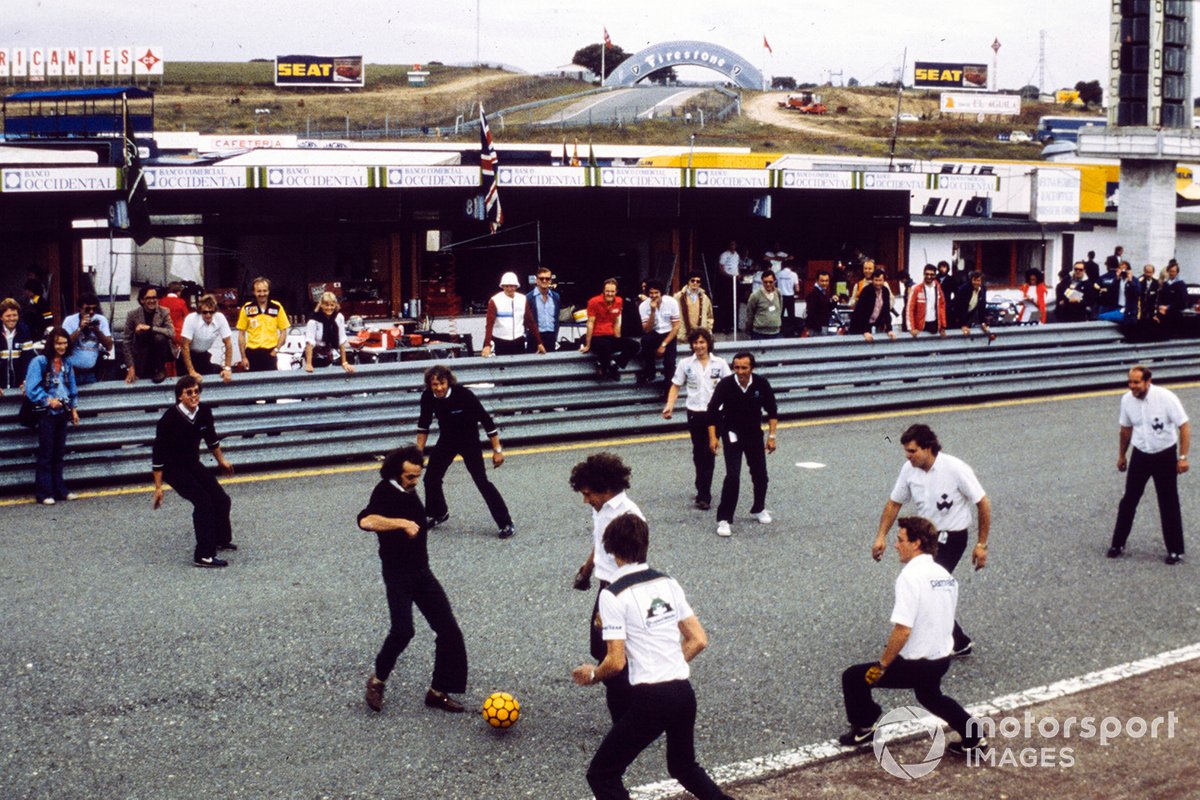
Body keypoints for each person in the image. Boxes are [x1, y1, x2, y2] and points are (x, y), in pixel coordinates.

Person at [571, 513, 735, 800]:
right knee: (684, 767)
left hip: (651, 699)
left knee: (602, 775)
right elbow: (698, 639)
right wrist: (668, 664)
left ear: (609, 549)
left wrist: (592, 675)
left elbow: (616, 661)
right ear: (644, 544)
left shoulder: (613, 595)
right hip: (683, 693)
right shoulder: (666, 582)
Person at [838, 516, 989, 759]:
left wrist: (883, 664)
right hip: (941, 658)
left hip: (916, 663)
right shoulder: (945, 576)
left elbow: (903, 629)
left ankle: (864, 727)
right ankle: (974, 737)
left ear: (916, 543)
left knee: (854, 678)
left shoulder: (909, 577)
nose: (896, 545)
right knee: (930, 696)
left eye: (900, 540)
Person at [358, 446, 469, 714]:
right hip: (398, 574)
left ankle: (438, 690)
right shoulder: (385, 490)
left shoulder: (407, 488)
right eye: (409, 477)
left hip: (422, 571)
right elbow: (366, 520)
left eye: (417, 476)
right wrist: (401, 523)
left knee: (449, 631)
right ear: (397, 474)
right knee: (403, 630)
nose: (414, 482)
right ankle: (377, 681)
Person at [872, 424, 990, 657]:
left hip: (952, 537)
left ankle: (943, 642)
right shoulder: (909, 470)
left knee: (926, 585)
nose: (908, 456)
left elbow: (983, 503)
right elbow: (894, 502)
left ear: (928, 448)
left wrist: (981, 544)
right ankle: (957, 641)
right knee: (925, 586)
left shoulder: (955, 468)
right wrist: (881, 536)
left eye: (912, 451)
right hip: (926, 536)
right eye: (906, 451)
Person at [569, 452, 644, 721]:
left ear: (607, 487)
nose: (586, 500)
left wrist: (612, 605)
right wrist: (588, 568)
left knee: (612, 657)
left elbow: (635, 563)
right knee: (603, 649)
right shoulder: (601, 508)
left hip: (619, 592)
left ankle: (624, 719)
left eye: (589, 494)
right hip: (605, 587)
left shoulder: (628, 516)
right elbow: (601, 541)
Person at [415, 365, 514, 540]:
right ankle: (438, 513)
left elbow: (487, 421)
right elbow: (423, 425)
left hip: (469, 442)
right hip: (447, 440)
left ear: (449, 382)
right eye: (434, 385)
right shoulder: (428, 397)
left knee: (482, 482)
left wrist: (497, 450)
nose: (438, 388)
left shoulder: (464, 395)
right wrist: (418, 452)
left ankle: (505, 523)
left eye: (442, 383)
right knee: (430, 478)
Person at [1108, 366, 1190, 564]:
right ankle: (1118, 543)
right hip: (1141, 454)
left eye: (1136, 382)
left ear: (1148, 381)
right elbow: (1125, 429)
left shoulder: (1166, 398)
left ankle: (1175, 550)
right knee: (1129, 500)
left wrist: (1183, 457)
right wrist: (1122, 455)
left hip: (1164, 454)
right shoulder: (1127, 400)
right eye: (1130, 382)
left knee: (1168, 501)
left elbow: (1184, 426)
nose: (1132, 386)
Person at [151, 376, 236, 566]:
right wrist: (158, 487)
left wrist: (221, 461)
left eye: (197, 391)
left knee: (221, 499)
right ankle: (204, 555)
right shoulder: (168, 420)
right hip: (174, 469)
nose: (194, 396)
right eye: (189, 392)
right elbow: (157, 455)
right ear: (180, 396)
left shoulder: (204, 411)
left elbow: (211, 439)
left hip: (193, 464)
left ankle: (220, 539)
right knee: (203, 502)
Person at [708, 352, 778, 537]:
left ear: (752, 368)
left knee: (761, 475)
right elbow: (712, 411)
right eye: (736, 367)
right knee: (733, 476)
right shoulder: (726, 385)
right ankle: (724, 519)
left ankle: (758, 508)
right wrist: (713, 438)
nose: (740, 371)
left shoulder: (761, 384)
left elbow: (772, 411)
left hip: (754, 435)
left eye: (744, 368)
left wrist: (771, 437)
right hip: (731, 435)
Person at [662, 327, 732, 511]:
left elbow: (730, 388)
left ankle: (704, 495)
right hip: (695, 412)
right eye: (695, 342)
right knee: (698, 452)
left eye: (702, 342)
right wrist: (669, 405)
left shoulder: (720, 363)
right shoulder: (686, 363)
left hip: (715, 414)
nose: (699, 346)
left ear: (708, 343)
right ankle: (701, 484)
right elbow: (676, 386)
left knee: (709, 453)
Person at [25, 328, 79, 505]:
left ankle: (60, 490)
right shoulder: (39, 361)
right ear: (51, 343)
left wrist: (73, 408)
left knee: (59, 453)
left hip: (62, 413)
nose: (62, 346)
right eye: (58, 343)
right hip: (46, 414)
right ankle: (44, 492)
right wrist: (48, 401)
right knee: (46, 453)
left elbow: (72, 388)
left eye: (64, 343)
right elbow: (32, 389)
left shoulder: (67, 362)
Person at [581, 278, 638, 381]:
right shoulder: (594, 302)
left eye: (612, 291)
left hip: (610, 336)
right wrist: (588, 345)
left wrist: (618, 339)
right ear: (603, 291)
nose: (610, 294)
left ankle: (614, 364)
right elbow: (590, 323)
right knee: (605, 346)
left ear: (616, 291)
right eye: (607, 291)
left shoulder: (619, 301)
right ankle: (607, 368)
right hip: (596, 337)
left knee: (635, 345)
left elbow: (617, 321)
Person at [482, 271, 544, 357]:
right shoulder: (494, 300)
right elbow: (489, 325)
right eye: (506, 286)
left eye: (512, 286)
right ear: (502, 286)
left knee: (519, 368)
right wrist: (487, 345)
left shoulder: (522, 299)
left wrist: (539, 342)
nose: (509, 289)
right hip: (500, 341)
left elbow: (530, 322)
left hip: (518, 341)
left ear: (516, 286)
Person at [123, 285, 175, 384]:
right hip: (141, 352)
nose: (152, 300)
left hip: (159, 353)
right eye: (149, 298)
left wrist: (151, 328)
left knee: (160, 337)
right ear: (142, 300)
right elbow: (126, 342)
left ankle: (160, 369)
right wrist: (130, 366)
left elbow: (171, 333)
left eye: (154, 297)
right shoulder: (132, 315)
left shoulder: (164, 312)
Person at [236, 277, 289, 372]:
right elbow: (241, 334)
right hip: (252, 354)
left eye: (265, 291)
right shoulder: (247, 308)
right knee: (252, 384)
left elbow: (283, 332)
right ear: (254, 292)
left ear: (269, 291)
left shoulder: (277, 307)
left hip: (270, 353)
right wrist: (243, 357)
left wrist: (276, 350)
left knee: (271, 384)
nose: (262, 294)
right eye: (259, 291)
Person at [180, 294, 234, 382]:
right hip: (187, 357)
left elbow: (228, 343)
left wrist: (227, 368)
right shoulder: (191, 319)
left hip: (203, 356)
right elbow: (185, 346)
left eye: (211, 312)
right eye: (205, 312)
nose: (208, 315)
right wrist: (192, 372)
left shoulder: (220, 318)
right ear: (200, 310)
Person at [62, 293, 114, 385]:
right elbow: (64, 346)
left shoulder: (100, 320)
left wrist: (97, 331)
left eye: (94, 309)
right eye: (87, 309)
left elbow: (109, 346)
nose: (91, 312)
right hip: (72, 372)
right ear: (80, 309)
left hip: (91, 372)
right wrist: (79, 328)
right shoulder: (70, 321)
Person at [637, 279, 681, 387]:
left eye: (656, 292)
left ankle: (667, 389)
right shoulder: (643, 306)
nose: (654, 295)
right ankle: (650, 372)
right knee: (645, 341)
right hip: (655, 333)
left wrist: (663, 345)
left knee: (670, 363)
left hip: (669, 334)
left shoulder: (671, 302)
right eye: (651, 293)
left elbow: (676, 327)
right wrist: (652, 311)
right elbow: (646, 329)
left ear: (661, 293)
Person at [304, 291, 356, 374]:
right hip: (315, 357)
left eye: (332, 305)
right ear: (321, 305)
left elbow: (341, 340)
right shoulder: (313, 320)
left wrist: (344, 362)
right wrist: (309, 364)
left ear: (336, 305)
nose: (329, 308)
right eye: (326, 305)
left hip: (330, 354)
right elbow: (309, 343)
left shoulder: (339, 317)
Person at [847, 270, 897, 342]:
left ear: (884, 281)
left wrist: (889, 329)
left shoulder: (885, 291)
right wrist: (865, 331)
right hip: (859, 325)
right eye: (876, 280)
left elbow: (886, 311)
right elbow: (861, 312)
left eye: (880, 280)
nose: (878, 283)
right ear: (872, 280)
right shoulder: (866, 291)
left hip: (873, 324)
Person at [1, 297, 35, 397]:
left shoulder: (24, 330)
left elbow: (28, 358)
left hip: (19, 384)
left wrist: (26, 381)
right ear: (1, 317)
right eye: (8, 316)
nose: (12, 319)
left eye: (15, 315)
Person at [904, 264, 947, 337]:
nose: (929, 277)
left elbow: (942, 306)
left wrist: (943, 325)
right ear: (923, 274)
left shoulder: (938, 288)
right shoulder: (916, 289)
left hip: (934, 325)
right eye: (927, 274)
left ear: (935, 275)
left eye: (932, 274)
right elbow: (909, 309)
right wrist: (911, 328)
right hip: (920, 326)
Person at [527, 266, 562, 352]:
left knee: (551, 364)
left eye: (547, 278)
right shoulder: (529, 297)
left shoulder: (556, 297)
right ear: (537, 280)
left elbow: (556, 317)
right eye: (541, 278)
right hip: (534, 337)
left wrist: (555, 336)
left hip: (551, 337)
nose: (544, 281)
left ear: (550, 280)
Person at [951, 271, 995, 340]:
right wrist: (963, 324)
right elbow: (960, 308)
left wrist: (983, 322)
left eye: (978, 280)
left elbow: (982, 307)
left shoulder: (983, 290)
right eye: (974, 280)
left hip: (968, 316)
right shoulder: (964, 289)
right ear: (971, 280)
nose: (976, 283)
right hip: (954, 316)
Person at [674, 271, 715, 337]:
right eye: (692, 280)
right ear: (688, 281)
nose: (695, 283)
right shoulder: (678, 297)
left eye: (697, 281)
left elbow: (709, 316)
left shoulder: (705, 298)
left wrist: (707, 330)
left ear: (700, 283)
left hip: (700, 336)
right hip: (682, 336)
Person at [745, 270, 783, 340]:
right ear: (762, 281)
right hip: (759, 334)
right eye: (765, 282)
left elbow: (780, 309)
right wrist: (748, 329)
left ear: (775, 281)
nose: (768, 284)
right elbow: (750, 314)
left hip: (775, 333)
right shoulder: (755, 296)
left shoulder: (778, 293)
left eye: (770, 282)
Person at [1156, 261, 1189, 339]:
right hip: (1164, 310)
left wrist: (1168, 307)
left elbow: (1182, 301)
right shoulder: (1165, 284)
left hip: (1175, 311)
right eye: (1170, 271)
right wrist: (1160, 306)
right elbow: (1160, 297)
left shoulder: (1181, 284)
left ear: (1177, 272)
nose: (1171, 273)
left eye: (1173, 271)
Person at [803, 270, 840, 336]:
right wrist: (818, 327)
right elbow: (811, 312)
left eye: (826, 281)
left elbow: (827, 308)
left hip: (822, 326)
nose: (824, 283)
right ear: (817, 281)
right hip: (817, 328)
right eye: (822, 281)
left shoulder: (824, 293)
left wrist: (834, 302)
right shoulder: (813, 294)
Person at [716, 240, 741, 333]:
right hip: (727, 281)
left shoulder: (737, 255)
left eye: (734, 244)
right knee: (727, 303)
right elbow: (721, 270)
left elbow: (736, 267)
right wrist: (731, 276)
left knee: (736, 303)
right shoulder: (724, 255)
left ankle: (734, 325)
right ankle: (725, 327)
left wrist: (738, 275)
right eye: (731, 244)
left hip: (736, 280)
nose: (733, 246)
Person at [775, 260, 800, 335]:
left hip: (780, 296)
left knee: (779, 315)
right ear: (791, 266)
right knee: (791, 315)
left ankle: (778, 331)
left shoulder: (778, 274)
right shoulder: (794, 274)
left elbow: (774, 285)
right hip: (790, 297)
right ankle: (791, 332)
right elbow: (797, 289)